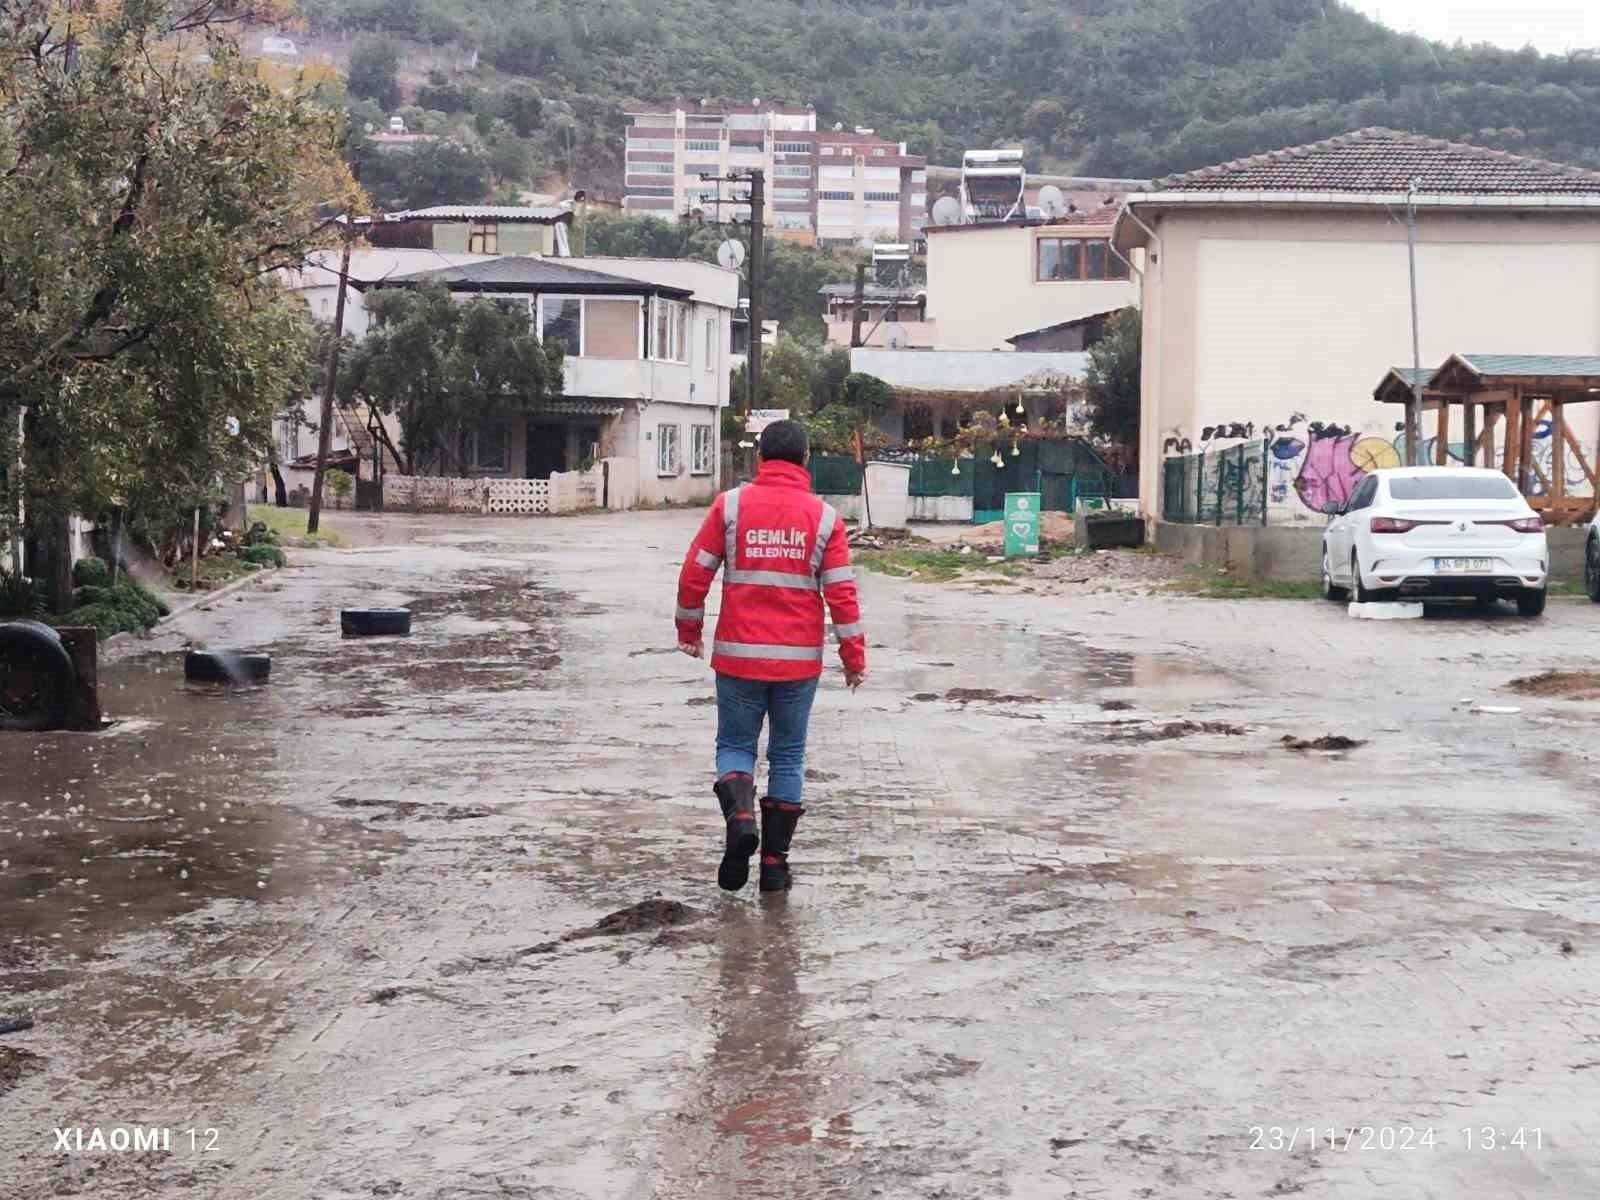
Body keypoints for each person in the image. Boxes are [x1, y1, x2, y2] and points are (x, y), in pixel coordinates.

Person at [674, 419, 867, 893]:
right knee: (788, 755)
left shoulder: (731, 506)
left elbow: (695, 571)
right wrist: (853, 657)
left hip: (738, 657)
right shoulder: (825, 518)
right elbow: (842, 595)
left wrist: (689, 628)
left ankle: (741, 819)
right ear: (806, 460)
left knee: (736, 747)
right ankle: (775, 866)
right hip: (798, 664)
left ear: (760, 459)